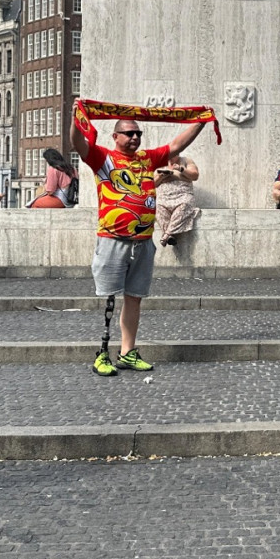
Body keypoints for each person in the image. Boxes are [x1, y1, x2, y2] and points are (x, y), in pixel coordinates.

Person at [74, 113, 207, 376]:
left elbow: (177, 145)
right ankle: (102, 352)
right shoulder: (104, 158)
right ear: (116, 136)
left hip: (142, 242)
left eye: (138, 134)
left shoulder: (148, 159)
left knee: (134, 298)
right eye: (129, 133)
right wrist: (75, 118)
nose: (135, 137)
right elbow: (78, 143)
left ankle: (126, 352)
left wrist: (201, 121)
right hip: (113, 239)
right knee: (108, 298)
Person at [154, 154, 201, 247]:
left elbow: (195, 175)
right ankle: (169, 236)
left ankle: (166, 235)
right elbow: (153, 184)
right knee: (158, 208)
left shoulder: (186, 161)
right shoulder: (160, 165)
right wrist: (161, 176)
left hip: (182, 195)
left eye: (173, 155)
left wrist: (181, 169)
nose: (170, 158)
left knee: (185, 205)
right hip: (164, 198)